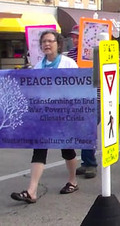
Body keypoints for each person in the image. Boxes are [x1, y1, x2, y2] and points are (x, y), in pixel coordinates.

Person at [11, 31, 79, 204]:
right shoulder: (38, 66)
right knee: (39, 149)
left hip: (63, 114)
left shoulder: (68, 63)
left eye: (50, 41)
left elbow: (78, 87)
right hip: (44, 114)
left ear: (58, 43)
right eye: (44, 42)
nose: (47, 44)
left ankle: (73, 180)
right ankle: (31, 190)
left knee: (67, 150)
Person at [67, 25, 98, 179]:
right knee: (80, 130)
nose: (74, 40)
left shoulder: (94, 52)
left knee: (88, 128)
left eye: (77, 37)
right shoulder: (71, 54)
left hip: (95, 97)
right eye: (73, 37)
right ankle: (86, 162)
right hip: (77, 97)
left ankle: (91, 163)